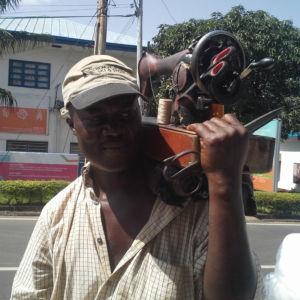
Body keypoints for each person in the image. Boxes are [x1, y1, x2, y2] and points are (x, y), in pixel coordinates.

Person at [11, 55, 264, 300]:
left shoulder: (196, 208)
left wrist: (224, 181)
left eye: (125, 114)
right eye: (97, 118)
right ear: (71, 125)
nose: (113, 130)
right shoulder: (57, 215)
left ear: (139, 115)